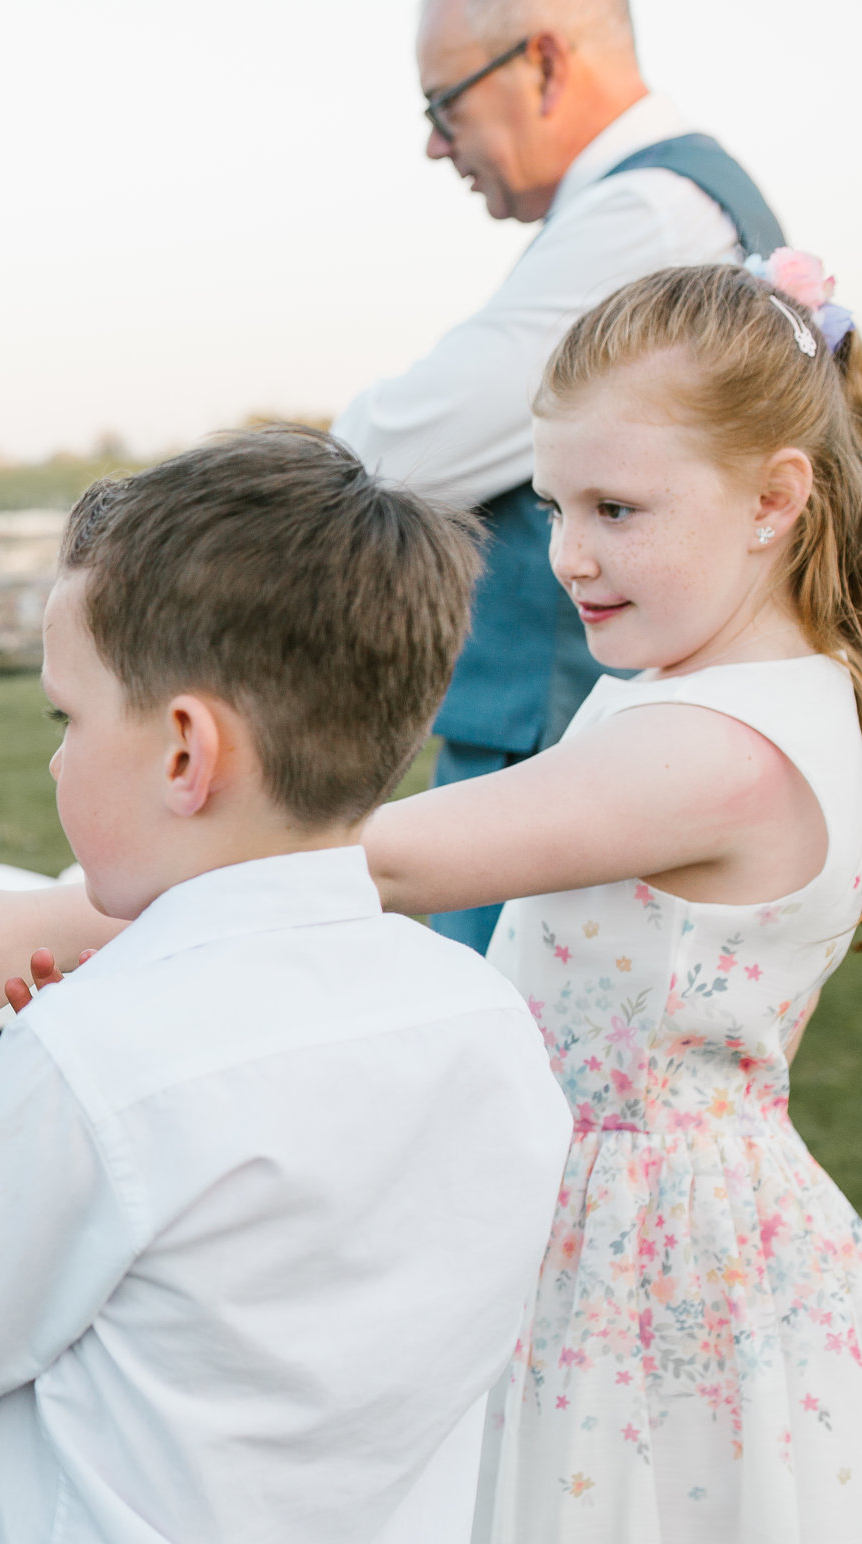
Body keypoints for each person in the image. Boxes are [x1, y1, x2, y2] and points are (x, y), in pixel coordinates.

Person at [0, 429, 572, 1544]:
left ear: (186, 750)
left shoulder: (103, 1063)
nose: (52, 752)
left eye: (66, 715)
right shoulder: (485, 1016)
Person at [363, 258, 862, 1544]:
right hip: (629, 1218)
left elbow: (382, 860)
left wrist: (81, 907)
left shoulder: (712, 749)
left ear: (774, 499)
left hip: (656, 1254)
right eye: (555, 503)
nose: (568, 552)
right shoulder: (700, 701)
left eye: (618, 509)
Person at [334, 0, 786, 950]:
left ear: (542, 62)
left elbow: (399, 452)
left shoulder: (644, 215)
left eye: (443, 106)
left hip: (560, 730)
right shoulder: (662, 201)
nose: (433, 145)